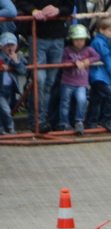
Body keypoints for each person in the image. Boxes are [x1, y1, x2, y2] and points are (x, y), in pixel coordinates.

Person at [15, 0, 74, 132]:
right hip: (37, 35)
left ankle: (41, 120)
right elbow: (21, 2)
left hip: (57, 36)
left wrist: (58, 10)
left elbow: (69, 6)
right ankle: (37, 121)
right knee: (39, 80)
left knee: (49, 82)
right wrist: (33, 11)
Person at [58, 24, 98, 133]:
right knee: (65, 103)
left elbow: (97, 56)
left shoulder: (88, 50)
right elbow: (62, 62)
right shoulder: (67, 50)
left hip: (81, 83)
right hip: (67, 82)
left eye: (81, 40)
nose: (79, 42)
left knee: (82, 100)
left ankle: (79, 121)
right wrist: (74, 63)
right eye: (76, 40)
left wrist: (88, 61)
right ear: (71, 40)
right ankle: (63, 123)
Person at [86, 17, 111, 134]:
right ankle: (107, 120)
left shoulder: (105, 41)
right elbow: (107, 59)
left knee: (96, 99)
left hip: (101, 76)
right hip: (98, 76)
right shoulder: (98, 42)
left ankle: (92, 122)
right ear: (101, 30)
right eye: (110, 30)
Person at [0, 31, 25, 134]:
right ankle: (11, 128)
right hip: (0, 90)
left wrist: (16, 62)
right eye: (7, 45)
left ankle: (2, 128)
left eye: (12, 45)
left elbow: (23, 71)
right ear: (1, 46)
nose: (10, 48)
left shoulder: (18, 56)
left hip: (10, 90)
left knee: (6, 109)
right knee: (5, 109)